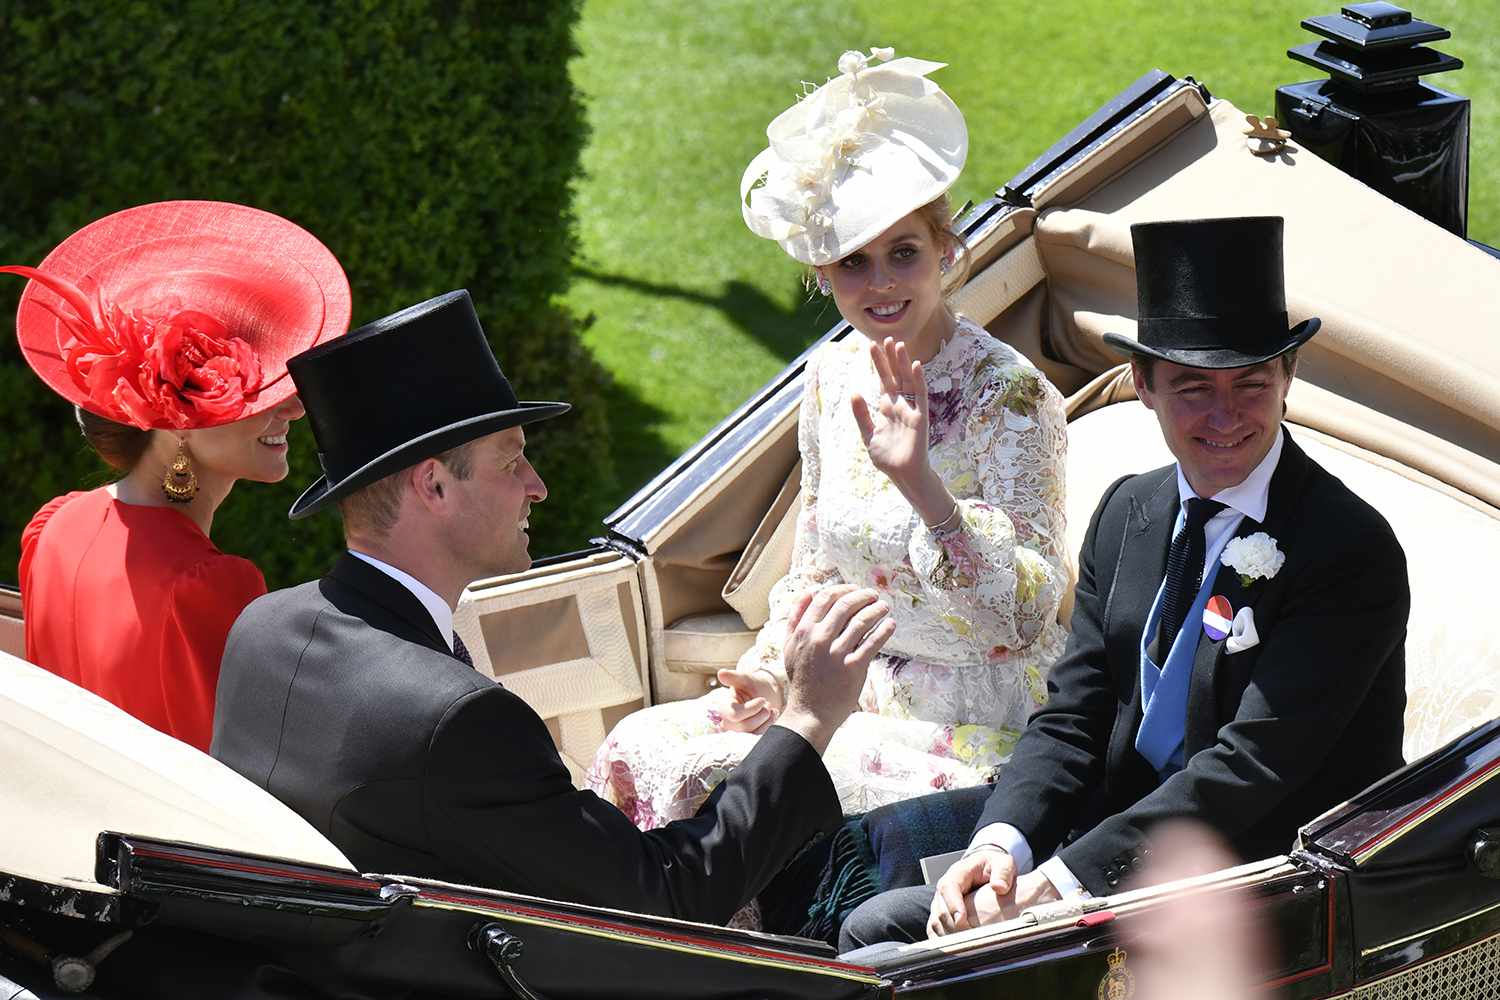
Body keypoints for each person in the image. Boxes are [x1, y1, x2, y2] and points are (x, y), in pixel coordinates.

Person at [210, 289, 895, 924]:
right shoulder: (455, 722)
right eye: (511, 463)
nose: (536, 488)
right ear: (434, 487)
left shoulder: (263, 628)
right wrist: (807, 717)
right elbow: (666, 897)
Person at [839, 216, 1409, 948]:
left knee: (920, 965)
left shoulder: (1346, 548)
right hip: (1111, 844)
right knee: (872, 929)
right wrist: (1000, 850)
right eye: (1194, 388)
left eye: (1252, 384)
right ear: (1142, 384)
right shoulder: (1129, 511)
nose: (1226, 415)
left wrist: (1061, 884)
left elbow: (1254, 768)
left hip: (1264, 884)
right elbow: (1075, 715)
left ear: (1288, 380)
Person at [589, 48, 1070, 832]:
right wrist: (769, 674)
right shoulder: (831, 375)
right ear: (821, 274)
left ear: (946, 250)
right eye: (853, 263)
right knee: (645, 744)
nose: (880, 284)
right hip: (836, 695)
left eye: (903, 253)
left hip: (967, 721)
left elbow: (1025, 614)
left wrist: (921, 482)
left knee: (736, 793)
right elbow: (815, 562)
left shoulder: (1011, 395)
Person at [7, 201, 350, 752]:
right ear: (177, 420)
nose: (293, 411)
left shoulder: (54, 527)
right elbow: (250, 776)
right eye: (256, 394)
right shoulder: (207, 584)